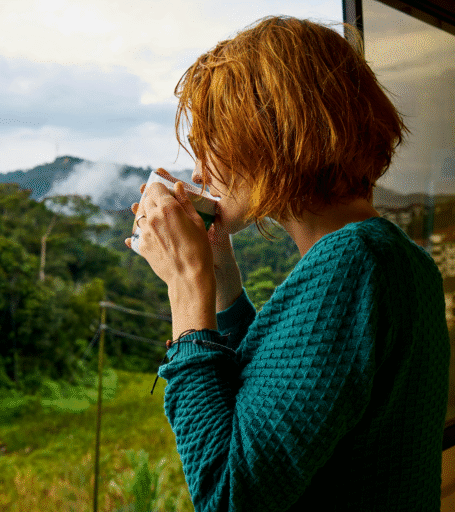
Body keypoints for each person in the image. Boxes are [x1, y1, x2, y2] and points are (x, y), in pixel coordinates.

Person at [125, 16, 450, 511]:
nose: (198, 172)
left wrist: (188, 289)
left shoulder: (354, 265)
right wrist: (220, 278)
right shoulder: (392, 258)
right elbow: (282, 391)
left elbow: (228, 494)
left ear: (266, 135)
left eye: (211, 143)